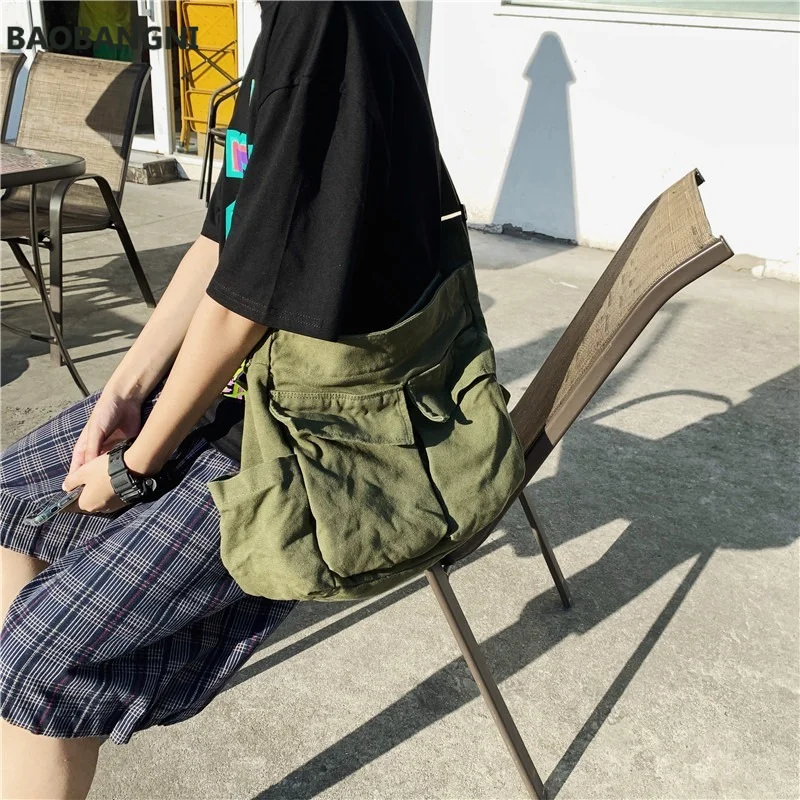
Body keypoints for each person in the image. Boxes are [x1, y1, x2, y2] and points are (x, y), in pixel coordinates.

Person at [0, 2, 445, 798]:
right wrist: (125, 391)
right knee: (9, 494)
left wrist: (135, 466)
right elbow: (221, 240)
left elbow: (247, 304)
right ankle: (24, 735)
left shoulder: (321, 23)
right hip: (263, 380)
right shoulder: (286, 24)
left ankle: (34, 703)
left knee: (41, 656)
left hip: (330, 425)